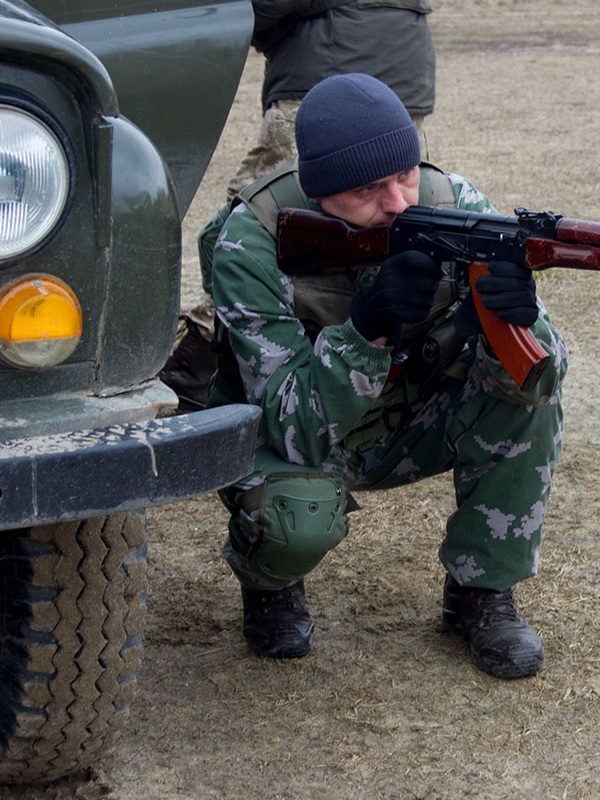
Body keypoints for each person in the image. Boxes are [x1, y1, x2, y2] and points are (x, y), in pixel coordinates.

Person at [202, 73, 567, 679]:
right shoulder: (253, 240)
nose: (398, 202)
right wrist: (364, 331)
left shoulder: (452, 203)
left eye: (402, 175)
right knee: (298, 510)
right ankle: (270, 580)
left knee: (524, 400)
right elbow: (287, 427)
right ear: (319, 192)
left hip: (408, 420)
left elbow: (540, 382)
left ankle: (480, 593)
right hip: (301, 437)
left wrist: (516, 320)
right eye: (369, 188)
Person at [160, 0, 436, 413]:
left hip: (322, 68)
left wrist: (246, 19)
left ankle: (199, 377)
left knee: (251, 223)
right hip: (399, 66)